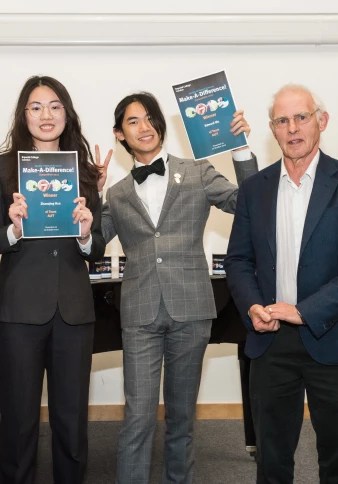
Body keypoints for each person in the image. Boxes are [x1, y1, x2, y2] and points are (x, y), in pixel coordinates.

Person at [224, 84, 338, 484]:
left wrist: (303, 311)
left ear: (321, 121)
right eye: (282, 120)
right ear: (272, 130)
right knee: (271, 462)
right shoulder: (254, 189)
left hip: (337, 337)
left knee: (337, 462)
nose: (292, 128)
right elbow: (238, 260)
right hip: (270, 341)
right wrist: (252, 306)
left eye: (301, 117)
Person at [96, 91, 257, 484]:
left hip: (192, 308)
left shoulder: (198, 172)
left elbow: (248, 204)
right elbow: (91, 243)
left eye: (150, 118)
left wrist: (239, 149)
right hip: (139, 313)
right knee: (137, 417)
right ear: (119, 134)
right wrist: (89, 193)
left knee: (182, 419)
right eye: (133, 121)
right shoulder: (116, 193)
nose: (144, 126)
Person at [0, 75, 105, 484]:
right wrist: (13, 230)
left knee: (72, 422)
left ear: (67, 114)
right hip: (18, 312)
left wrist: (85, 234)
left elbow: (98, 245)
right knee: (18, 423)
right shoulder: (0, 169)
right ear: (23, 114)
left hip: (74, 312)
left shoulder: (85, 171)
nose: (45, 114)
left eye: (54, 106)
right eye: (35, 106)